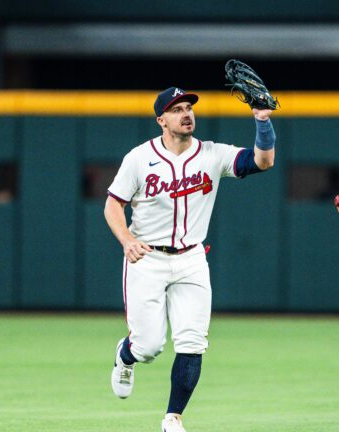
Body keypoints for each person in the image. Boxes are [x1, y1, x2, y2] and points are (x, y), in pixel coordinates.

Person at [105, 86, 276, 432]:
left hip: (191, 258)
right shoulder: (139, 158)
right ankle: (126, 354)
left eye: (189, 108)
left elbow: (263, 161)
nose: (187, 113)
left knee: (192, 341)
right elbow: (113, 204)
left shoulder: (212, 154)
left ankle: (173, 418)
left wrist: (262, 122)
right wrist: (126, 239)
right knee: (149, 345)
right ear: (161, 120)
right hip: (147, 258)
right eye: (177, 109)